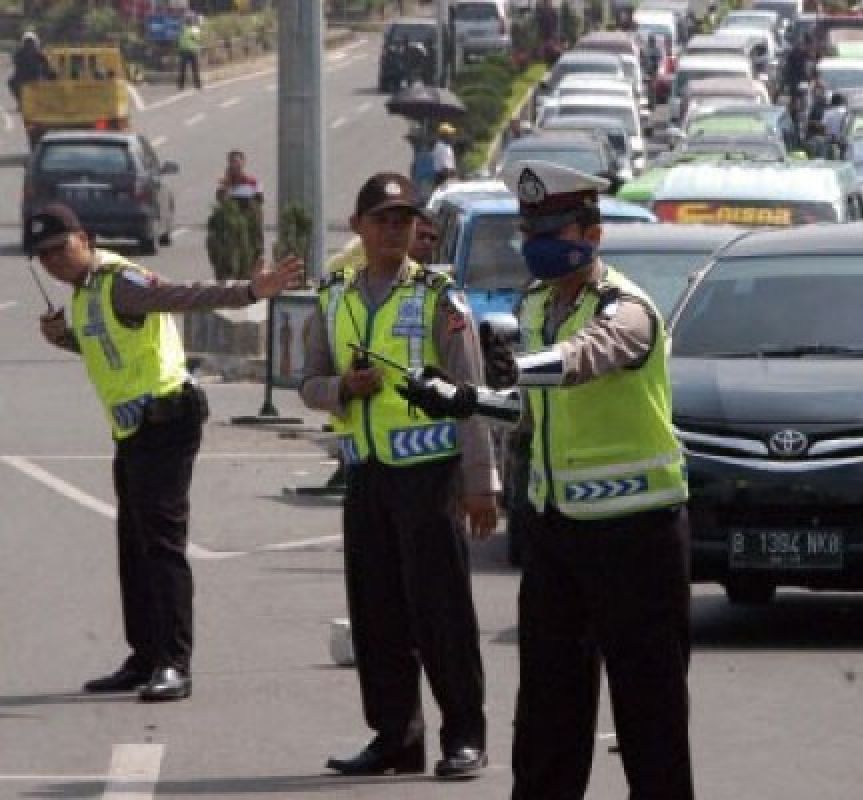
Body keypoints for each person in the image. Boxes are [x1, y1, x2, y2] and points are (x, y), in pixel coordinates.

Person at [399, 160, 694, 799]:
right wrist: (462, 398)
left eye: (553, 227)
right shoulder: (534, 304)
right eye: (530, 227)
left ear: (592, 233)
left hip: (636, 537)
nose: (537, 240)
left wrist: (524, 365)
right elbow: (528, 408)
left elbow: (588, 358)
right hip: (557, 537)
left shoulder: (627, 308)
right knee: (546, 720)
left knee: (651, 720)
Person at [30, 203, 302, 702]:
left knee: (161, 546)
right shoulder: (85, 294)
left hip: (166, 421)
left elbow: (183, 295)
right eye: (43, 257)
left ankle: (174, 662)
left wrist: (247, 292)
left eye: (59, 249)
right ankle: (144, 655)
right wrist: (65, 338)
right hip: (133, 431)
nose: (53, 262)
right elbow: (109, 350)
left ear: (84, 238)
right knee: (134, 548)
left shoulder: (120, 281)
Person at [299, 174, 498, 778]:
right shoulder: (333, 297)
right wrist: (342, 388)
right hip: (366, 477)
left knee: (441, 613)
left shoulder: (438, 298)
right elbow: (307, 383)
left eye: (403, 219)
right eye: (382, 219)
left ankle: (464, 734)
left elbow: (471, 395)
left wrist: (479, 479)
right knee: (376, 614)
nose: (394, 229)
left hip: (428, 477)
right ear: (358, 227)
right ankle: (395, 736)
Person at [216, 149, 265, 257]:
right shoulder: (225, 183)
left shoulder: (253, 182)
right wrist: (227, 184)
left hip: (249, 226)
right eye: (232, 162)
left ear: (243, 163)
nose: (235, 165)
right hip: (231, 228)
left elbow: (259, 202)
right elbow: (220, 200)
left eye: (237, 162)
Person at [9, 30, 53, 110]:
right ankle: (21, 102)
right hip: (24, 77)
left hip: (33, 77)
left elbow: (46, 65)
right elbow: (16, 63)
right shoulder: (20, 53)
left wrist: (49, 74)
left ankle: (39, 102)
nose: (29, 44)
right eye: (27, 42)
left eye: (30, 42)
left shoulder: (37, 53)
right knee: (11, 82)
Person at [177, 12, 203, 90]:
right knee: (185, 69)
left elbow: (197, 39)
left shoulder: (192, 28)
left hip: (190, 50)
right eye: (188, 19)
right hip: (186, 50)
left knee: (192, 69)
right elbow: (197, 39)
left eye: (189, 19)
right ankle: (182, 85)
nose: (189, 20)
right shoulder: (184, 28)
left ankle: (197, 85)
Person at [432, 123, 458, 188]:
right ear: (444, 135)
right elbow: (445, 169)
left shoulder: (447, 147)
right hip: (442, 178)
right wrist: (452, 180)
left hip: (447, 177)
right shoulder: (441, 147)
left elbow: (451, 167)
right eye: (451, 134)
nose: (453, 136)